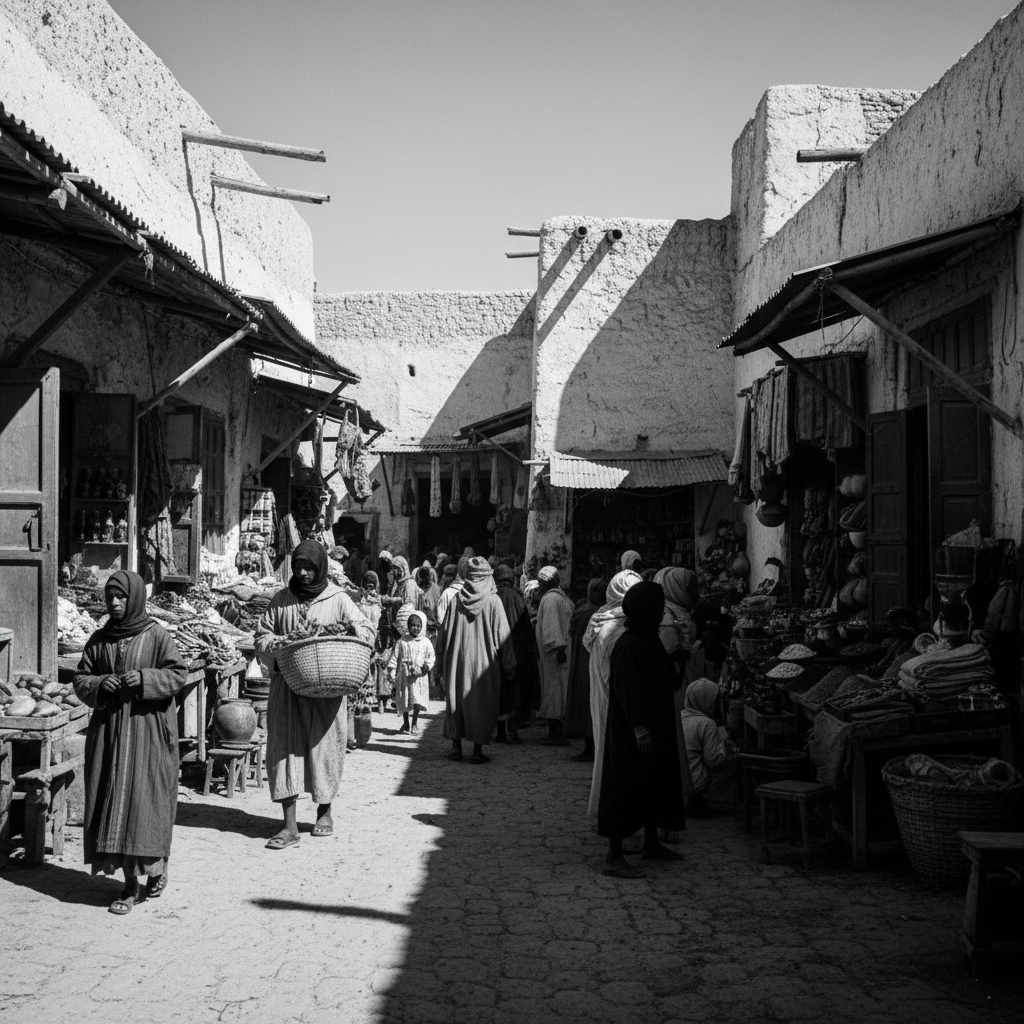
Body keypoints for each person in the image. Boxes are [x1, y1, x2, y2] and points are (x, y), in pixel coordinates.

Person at [73, 570, 188, 914]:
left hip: (148, 734)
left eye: (121, 597)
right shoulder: (99, 639)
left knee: (146, 803)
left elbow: (178, 673)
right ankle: (128, 884)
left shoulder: (156, 636)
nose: (114, 603)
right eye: (110, 597)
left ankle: (155, 868)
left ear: (135, 597)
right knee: (112, 801)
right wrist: (99, 685)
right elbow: (81, 677)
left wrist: (145, 679)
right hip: (110, 734)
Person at [255, 540, 374, 850]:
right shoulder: (281, 600)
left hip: (328, 688)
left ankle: (324, 812)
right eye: (298, 567)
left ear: (320, 567)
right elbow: (262, 635)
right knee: (284, 748)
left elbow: (365, 630)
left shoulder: (338, 599)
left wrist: (345, 631)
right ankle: (289, 825)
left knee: (325, 748)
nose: (304, 573)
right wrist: (278, 648)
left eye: (309, 567)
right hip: (288, 687)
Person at [598, 582, 686, 877]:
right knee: (625, 786)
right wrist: (640, 729)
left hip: (655, 724)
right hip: (633, 732)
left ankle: (650, 843)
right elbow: (628, 690)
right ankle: (615, 855)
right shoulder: (628, 644)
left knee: (654, 783)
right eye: (658, 609)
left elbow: (661, 678)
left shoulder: (649, 639)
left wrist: (677, 661)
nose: (662, 614)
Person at [437, 556, 516, 764]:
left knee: (456, 702)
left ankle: (456, 748)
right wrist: (509, 665)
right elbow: (504, 637)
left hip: (457, 662)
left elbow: (443, 636)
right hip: (484, 666)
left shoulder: (455, 600)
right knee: (482, 704)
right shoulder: (493, 601)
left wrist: (439, 666)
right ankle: (477, 751)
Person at [584, 569, 643, 818]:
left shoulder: (600, 619)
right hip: (618, 704)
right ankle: (618, 820)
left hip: (603, 699)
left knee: (607, 758)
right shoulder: (619, 626)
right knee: (621, 762)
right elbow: (619, 677)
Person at [494, 564, 540, 742]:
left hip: (496, 652)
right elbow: (526, 627)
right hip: (518, 652)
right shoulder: (517, 597)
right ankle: (513, 730)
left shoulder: (492, 596)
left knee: (500, 692)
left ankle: (500, 732)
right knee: (516, 692)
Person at [680, 678, 739, 816]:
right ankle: (714, 801)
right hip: (692, 782)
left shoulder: (680, 716)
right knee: (734, 760)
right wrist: (727, 749)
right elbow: (713, 760)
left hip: (676, 780)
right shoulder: (706, 723)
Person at [563, 578, 607, 762]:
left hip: (581, 662)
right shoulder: (602, 614)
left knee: (584, 702)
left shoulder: (582, 612)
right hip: (594, 662)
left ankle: (590, 746)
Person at [535, 566, 574, 745]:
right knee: (558, 689)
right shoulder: (559, 597)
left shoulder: (551, 598)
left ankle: (554, 730)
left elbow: (552, 628)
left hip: (555, 653)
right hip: (560, 651)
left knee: (553, 690)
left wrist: (558, 648)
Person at [387, 609, 434, 734]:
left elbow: (431, 657)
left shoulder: (426, 642)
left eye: (418, 626)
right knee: (405, 699)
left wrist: (425, 668)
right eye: (413, 625)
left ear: (422, 627)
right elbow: (395, 656)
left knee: (417, 700)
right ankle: (406, 723)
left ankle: (414, 723)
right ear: (408, 626)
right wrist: (392, 671)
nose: (415, 628)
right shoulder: (402, 641)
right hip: (404, 677)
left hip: (419, 678)